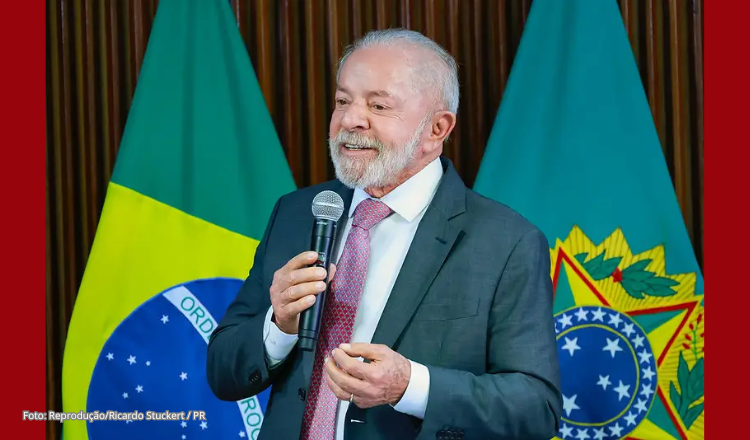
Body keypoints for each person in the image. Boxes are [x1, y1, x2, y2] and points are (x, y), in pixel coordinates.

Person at [207, 28, 562, 440]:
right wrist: (279, 327)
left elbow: (536, 409)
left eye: (378, 105)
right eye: (343, 101)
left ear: (437, 129)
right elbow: (222, 372)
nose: (350, 120)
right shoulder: (297, 212)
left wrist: (410, 386)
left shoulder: (506, 242)